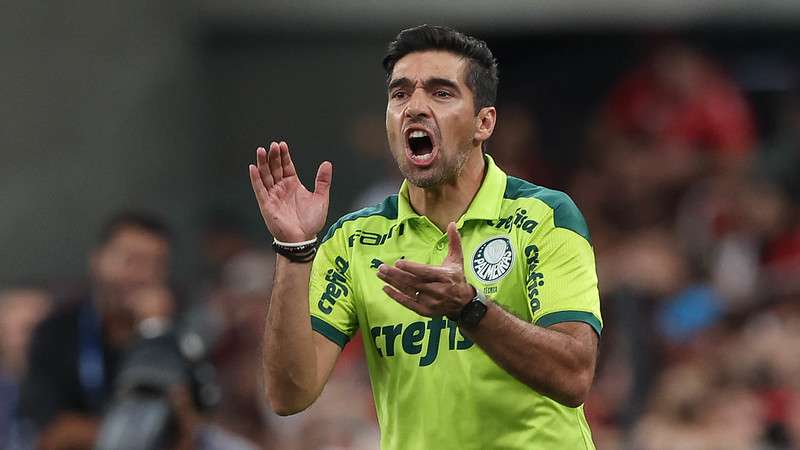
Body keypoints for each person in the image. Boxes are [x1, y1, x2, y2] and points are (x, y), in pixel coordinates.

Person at [249, 25, 602, 449]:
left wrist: (470, 309)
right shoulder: (354, 239)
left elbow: (574, 375)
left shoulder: (543, 216)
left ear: (483, 122)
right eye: (400, 94)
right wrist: (293, 251)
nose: (414, 107)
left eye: (441, 93)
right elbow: (289, 395)